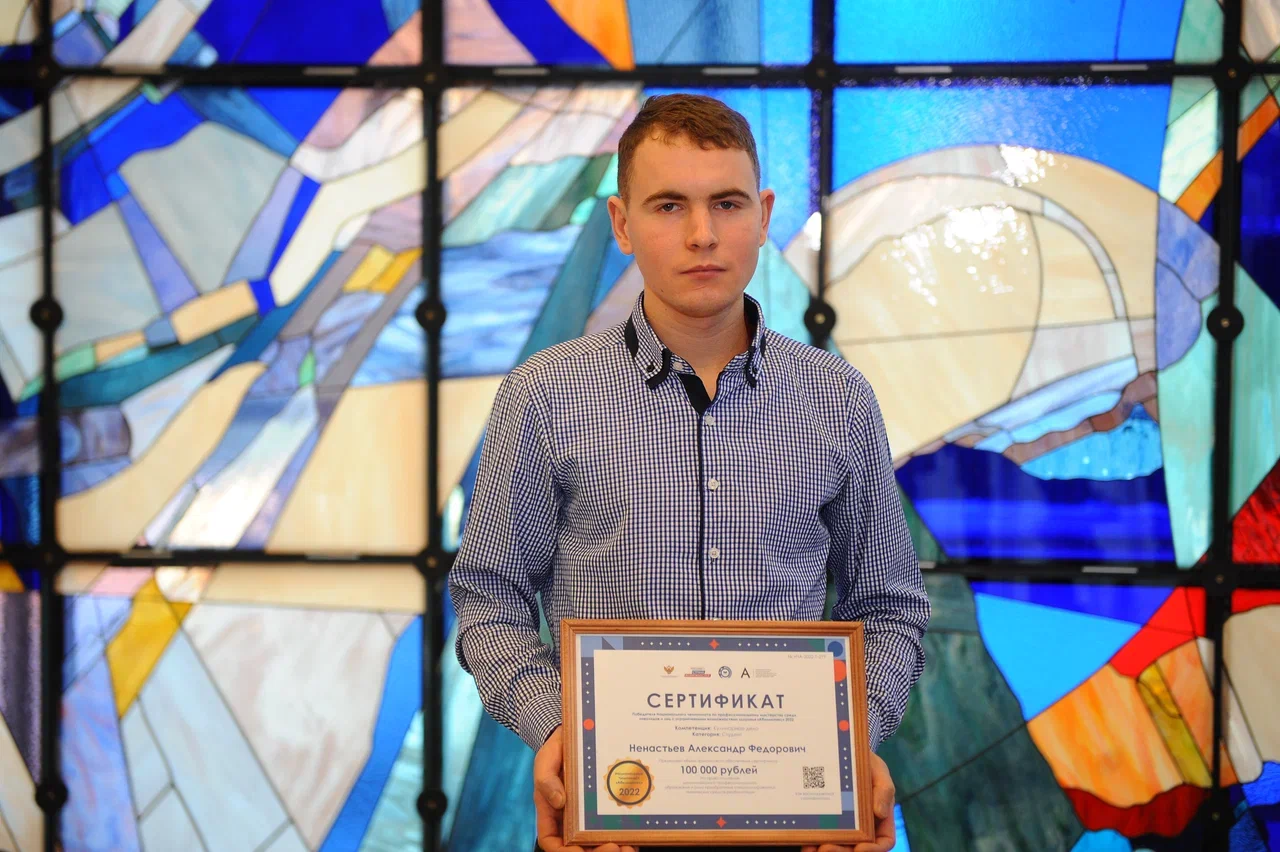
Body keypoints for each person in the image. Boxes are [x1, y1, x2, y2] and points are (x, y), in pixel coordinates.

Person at [448, 92, 931, 852]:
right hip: (612, 821)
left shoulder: (838, 399)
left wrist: (847, 738)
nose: (702, 234)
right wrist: (563, 731)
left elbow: (890, 607)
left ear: (763, 216)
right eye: (669, 205)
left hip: (795, 825)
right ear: (621, 224)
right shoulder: (544, 395)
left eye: (727, 204)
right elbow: (489, 597)